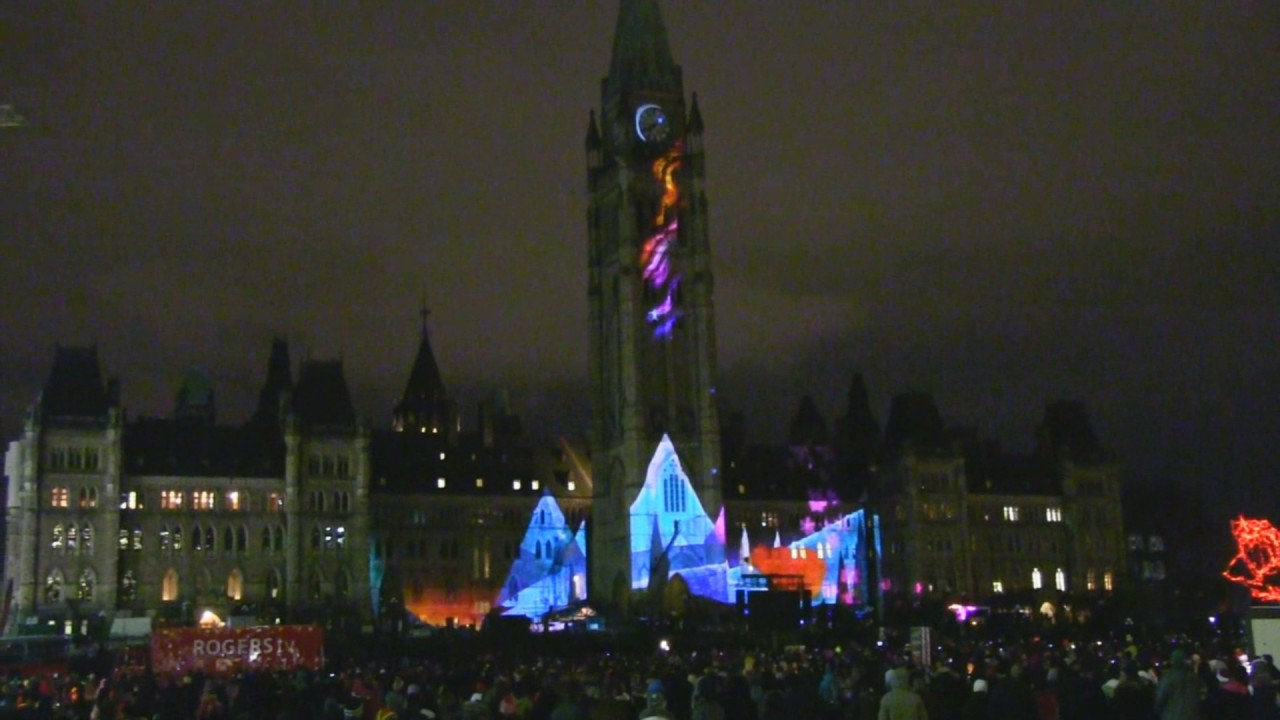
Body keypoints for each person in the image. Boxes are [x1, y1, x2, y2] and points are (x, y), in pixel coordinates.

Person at [1154, 649, 1203, 720]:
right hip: (1191, 715)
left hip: (1171, 715)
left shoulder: (1168, 678)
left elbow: (1160, 698)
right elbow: (1200, 695)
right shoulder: (1193, 678)